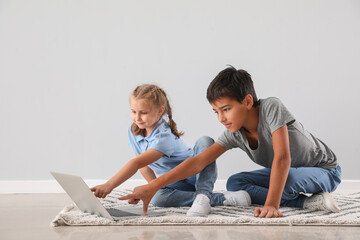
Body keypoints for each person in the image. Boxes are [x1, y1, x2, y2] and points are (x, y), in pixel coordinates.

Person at [119, 67, 342, 218]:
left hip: (323, 170)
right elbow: (198, 162)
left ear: (247, 101)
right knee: (236, 183)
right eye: (216, 111)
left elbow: (283, 159)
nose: (221, 118)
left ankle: (293, 200)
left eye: (226, 109)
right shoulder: (235, 133)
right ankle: (305, 203)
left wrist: (271, 205)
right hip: (290, 171)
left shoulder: (271, 107)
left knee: (288, 179)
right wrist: (153, 186)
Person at [91, 84, 251, 217]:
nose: (137, 117)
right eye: (134, 112)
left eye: (143, 113)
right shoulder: (133, 132)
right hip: (173, 182)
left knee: (204, 141)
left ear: (160, 111)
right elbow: (143, 166)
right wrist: (150, 189)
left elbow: (137, 162)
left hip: (196, 174)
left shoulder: (163, 136)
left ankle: (203, 195)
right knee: (158, 198)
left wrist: (109, 185)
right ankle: (221, 198)